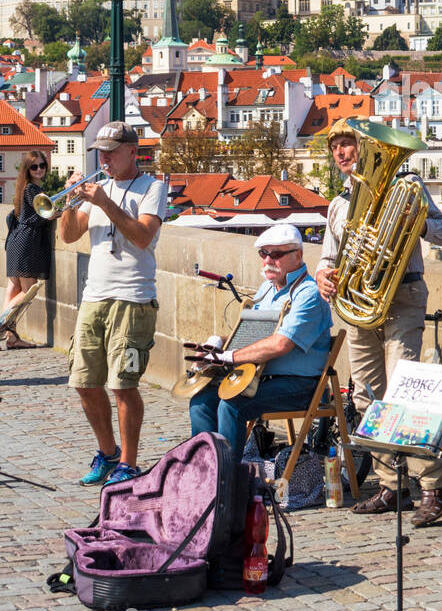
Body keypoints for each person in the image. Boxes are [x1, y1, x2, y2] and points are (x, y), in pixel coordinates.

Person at [316, 119, 442, 526]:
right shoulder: (339, 204)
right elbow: (330, 256)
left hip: (403, 297)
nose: (342, 153)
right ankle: (390, 485)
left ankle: (432, 487)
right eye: (336, 148)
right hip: (360, 303)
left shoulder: (405, 186)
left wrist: (419, 224)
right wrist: (325, 273)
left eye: (348, 144)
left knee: (408, 393)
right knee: (367, 396)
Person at [60, 123, 168, 487]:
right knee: (84, 381)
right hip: (95, 295)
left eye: (111, 151)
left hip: (133, 297)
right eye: (100, 151)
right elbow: (69, 235)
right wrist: (69, 199)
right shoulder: (98, 188)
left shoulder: (152, 188)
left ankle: (128, 462)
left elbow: (141, 237)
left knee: (123, 384)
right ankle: (106, 453)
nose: (103, 157)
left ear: (132, 152)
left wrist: (104, 202)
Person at [189, 223, 331, 463]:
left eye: (276, 254)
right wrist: (218, 345)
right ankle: (204, 471)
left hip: (301, 385)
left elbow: (280, 344)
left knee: (231, 405)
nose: (267, 260)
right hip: (259, 377)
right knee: (201, 401)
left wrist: (231, 357)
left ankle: (228, 480)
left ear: (298, 255)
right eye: (263, 254)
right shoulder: (266, 288)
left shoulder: (309, 293)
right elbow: (249, 336)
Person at [3, 150, 54, 348]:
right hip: (27, 242)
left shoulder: (23, 188)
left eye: (42, 165)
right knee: (29, 290)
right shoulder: (32, 189)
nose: (39, 169)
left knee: (13, 289)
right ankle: (1, 326)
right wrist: (55, 214)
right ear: (28, 169)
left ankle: (11, 337)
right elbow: (41, 216)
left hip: (16, 242)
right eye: (34, 166)